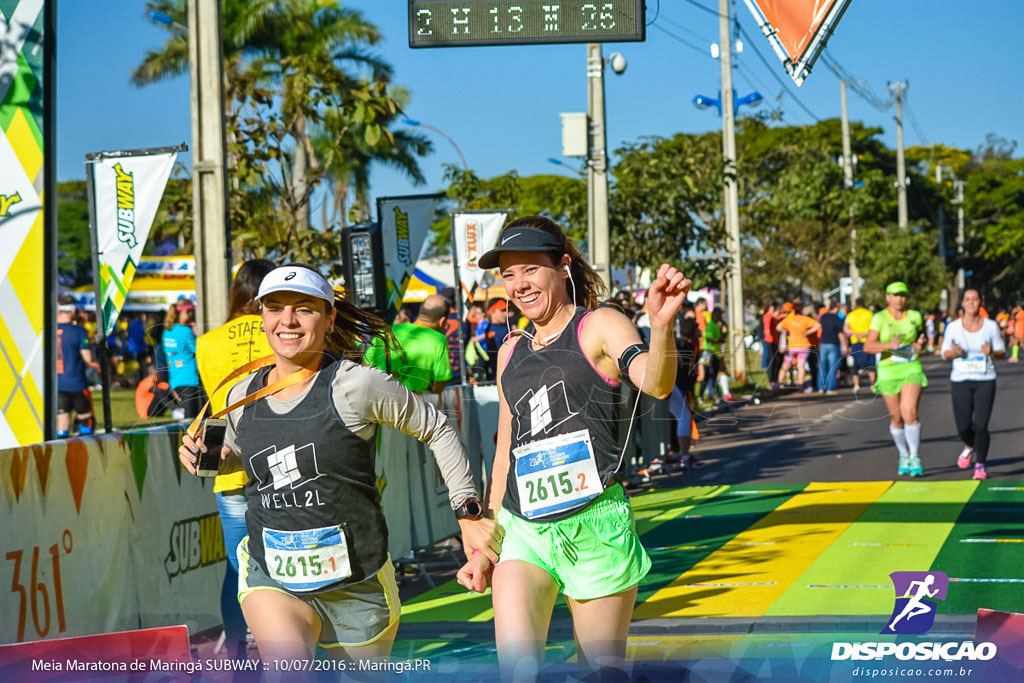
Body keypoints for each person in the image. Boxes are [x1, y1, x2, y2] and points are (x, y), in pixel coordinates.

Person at [179, 264, 499, 665]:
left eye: (304, 309)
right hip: (274, 575)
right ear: (261, 317)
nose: (288, 320)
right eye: (275, 308)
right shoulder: (242, 392)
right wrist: (209, 460)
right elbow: (239, 459)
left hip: (356, 582)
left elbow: (436, 427)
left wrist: (467, 512)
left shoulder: (357, 384)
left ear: (330, 318)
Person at [455, 216, 688, 680]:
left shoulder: (599, 325)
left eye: (529, 269)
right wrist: (488, 547)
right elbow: (506, 455)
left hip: (595, 526)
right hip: (525, 533)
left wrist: (661, 327)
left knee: (601, 673)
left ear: (562, 266)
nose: (519, 284)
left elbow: (656, 383)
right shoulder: (509, 351)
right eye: (508, 274)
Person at [194, 258, 276, 660]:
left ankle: (238, 649)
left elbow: (213, 401)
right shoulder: (281, 330)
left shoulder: (207, 342)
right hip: (279, 458)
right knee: (286, 559)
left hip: (226, 460)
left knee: (236, 567)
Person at [864, 281, 928, 476]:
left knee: (910, 412)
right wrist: (889, 345)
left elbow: (921, 338)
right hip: (888, 371)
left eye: (903, 295)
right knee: (897, 418)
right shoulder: (880, 318)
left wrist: (920, 345)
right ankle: (903, 454)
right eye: (895, 295)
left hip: (910, 367)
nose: (900, 299)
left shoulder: (915, 316)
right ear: (888, 297)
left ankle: (915, 456)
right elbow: (868, 346)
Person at [941, 289, 1005, 480]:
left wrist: (991, 351)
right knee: (963, 426)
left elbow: (1002, 351)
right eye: (967, 299)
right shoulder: (953, 327)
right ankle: (969, 445)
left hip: (985, 379)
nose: (971, 303)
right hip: (961, 379)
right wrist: (955, 353)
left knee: (982, 424)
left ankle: (980, 465)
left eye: (975, 299)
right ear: (962, 303)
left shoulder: (991, 326)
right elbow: (944, 352)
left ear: (980, 302)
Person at [365, 294, 453, 394]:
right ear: (442, 321)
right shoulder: (439, 340)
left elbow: (365, 366)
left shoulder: (386, 331)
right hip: (414, 404)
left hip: (379, 400)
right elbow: (438, 386)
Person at [56, 296, 99, 437]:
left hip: (57, 384)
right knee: (86, 421)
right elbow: (87, 358)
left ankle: (61, 456)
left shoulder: (49, 330)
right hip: (76, 383)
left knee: (62, 424)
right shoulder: (79, 331)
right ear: (72, 310)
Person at [163, 298, 205, 419]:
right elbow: (198, 349)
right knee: (195, 419)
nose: (192, 315)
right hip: (190, 378)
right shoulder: (186, 331)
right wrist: (196, 332)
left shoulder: (167, 331)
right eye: (190, 311)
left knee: (187, 419)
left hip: (175, 379)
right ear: (184, 312)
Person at [777, 305, 820, 392]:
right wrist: (807, 332)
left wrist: (787, 332)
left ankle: (780, 384)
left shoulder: (789, 319)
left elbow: (778, 327)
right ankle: (800, 384)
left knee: (785, 365)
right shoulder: (805, 319)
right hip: (803, 345)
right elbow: (818, 325)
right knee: (801, 365)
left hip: (792, 346)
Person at [844, 298, 875, 394]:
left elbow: (845, 329)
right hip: (868, 341)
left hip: (855, 342)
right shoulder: (869, 313)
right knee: (870, 364)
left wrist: (856, 333)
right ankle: (873, 385)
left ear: (856, 304)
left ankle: (856, 385)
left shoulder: (850, 315)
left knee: (854, 366)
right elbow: (875, 328)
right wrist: (864, 334)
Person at [817, 300, 847, 394]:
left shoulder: (823, 317)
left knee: (822, 366)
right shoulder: (837, 318)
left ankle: (821, 387)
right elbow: (840, 333)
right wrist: (845, 345)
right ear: (836, 308)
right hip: (833, 344)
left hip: (823, 343)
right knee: (832, 366)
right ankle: (830, 388)